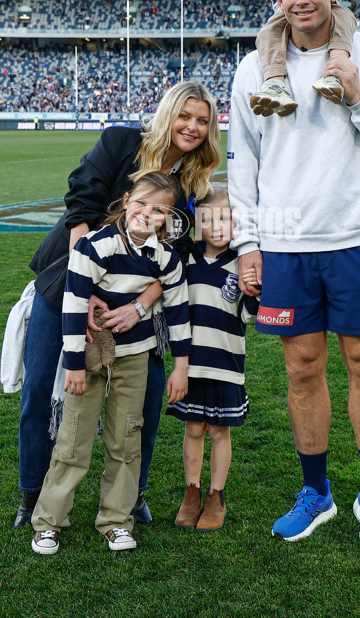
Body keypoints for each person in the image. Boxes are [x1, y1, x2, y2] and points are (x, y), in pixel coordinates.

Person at [227, 0, 360, 546]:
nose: (300, 0)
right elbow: (244, 164)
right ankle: (316, 493)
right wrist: (247, 242)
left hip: (356, 239)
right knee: (301, 367)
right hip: (285, 245)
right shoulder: (252, 69)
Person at [14, 81, 221, 530]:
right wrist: (82, 288)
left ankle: (133, 494)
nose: (192, 126)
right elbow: (81, 204)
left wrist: (140, 307)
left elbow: (176, 262)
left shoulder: (193, 185)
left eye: (202, 120)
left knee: (144, 402)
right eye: (185, 115)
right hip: (68, 284)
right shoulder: (121, 142)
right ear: (168, 114)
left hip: (135, 306)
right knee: (41, 394)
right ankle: (32, 496)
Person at [30, 172, 190, 554]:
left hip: (136, 356)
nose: (146, 214)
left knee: (126, 438)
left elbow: (180, 312)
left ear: (167, 219)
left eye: (158, 210)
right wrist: (72, 365)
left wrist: (181, 365)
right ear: (125, 199)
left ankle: (116, 519)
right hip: (89, 355)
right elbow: (73, 304)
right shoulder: (93, 246)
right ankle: (49, 521)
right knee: (73, 437)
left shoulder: (167, 258)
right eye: (140, 203)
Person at [165, 187, 259, 532]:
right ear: (197, 224)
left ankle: (216, 496)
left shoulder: (242, 264)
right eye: (208, 219)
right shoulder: (186, 260)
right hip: (190, 364)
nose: (217, 226)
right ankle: (192, 492)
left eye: (225, 218)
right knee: (194, 428)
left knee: (220, 430)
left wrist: (255, 293)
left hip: (226, 363)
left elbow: (249, 317)